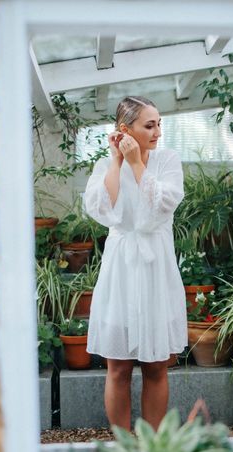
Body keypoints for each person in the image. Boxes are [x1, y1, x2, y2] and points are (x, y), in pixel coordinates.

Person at [83, 96, 187, 431]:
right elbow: (102, 209)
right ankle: (124, 448)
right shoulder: (105, 165)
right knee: (118, 367)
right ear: (125, 129)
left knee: (157, 365)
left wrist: (138, 163)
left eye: (159, 123)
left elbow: (163, 205)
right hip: (122, 269)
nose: (158, 131)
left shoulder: (167, 160)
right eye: (149, 124)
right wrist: (117, 161)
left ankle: (153, 447)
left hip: (156, 268)